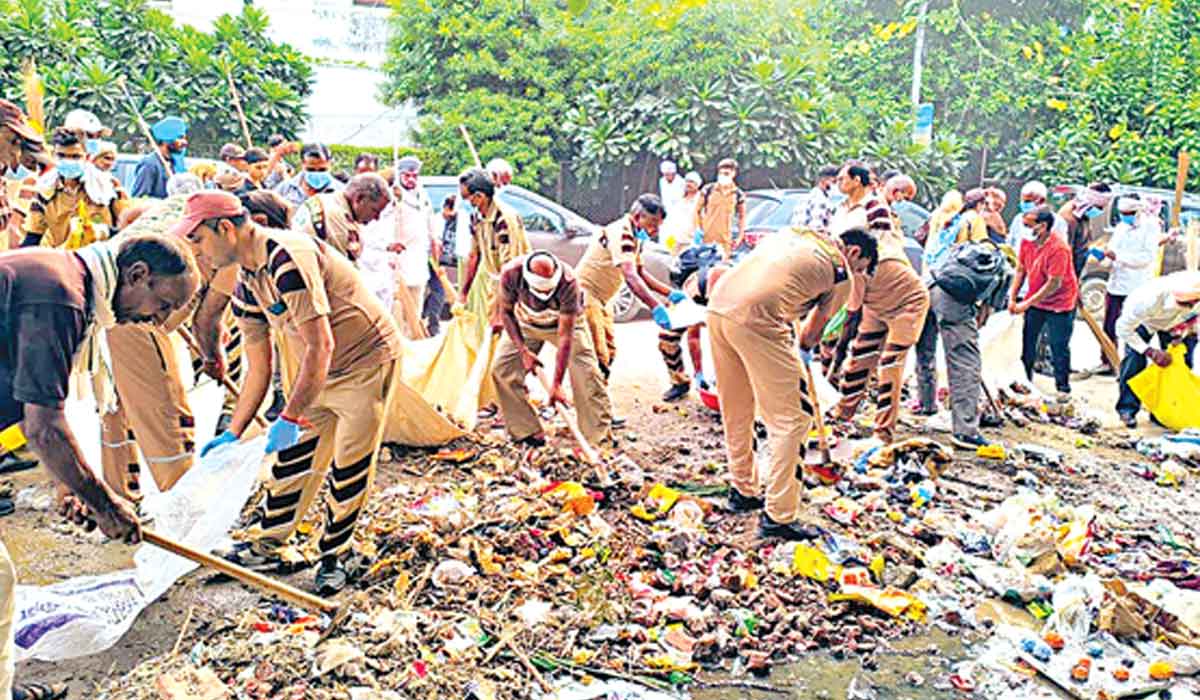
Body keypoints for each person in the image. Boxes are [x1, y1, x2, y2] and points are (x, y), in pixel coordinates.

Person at [0, 232, 199, 700]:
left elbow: (33, 407)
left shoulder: (66, 279)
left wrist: (71, 486)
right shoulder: (60, 297)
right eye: (162, 304)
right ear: (137, 275)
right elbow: (44, 428)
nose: (158, 320)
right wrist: (105, 504)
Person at [176, 191, 403, 594]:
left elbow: (321, 344)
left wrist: (291, 415)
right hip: (316, 373)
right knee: (293, 459)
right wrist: (234, 431)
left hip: (364, 363)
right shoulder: (247, 282)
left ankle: (337, 554)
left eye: (198, 239)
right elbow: (258, 366)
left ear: (225, 228)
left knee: (349, 462)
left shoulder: (288, 258)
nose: (197, 251)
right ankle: (268, 544)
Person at [707, 227, 873, 540]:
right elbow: (811, 334)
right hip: (758, 318)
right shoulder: (841, 271)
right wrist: (803, 351)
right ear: (853, 252)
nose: (859, 274)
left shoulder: (799, 234)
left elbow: (784, 287)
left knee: (737, 407)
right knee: (794, 419)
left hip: (718, 307)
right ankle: (778, 516)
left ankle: (743, 490)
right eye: (861, 267)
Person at [493, 251, 613, 448]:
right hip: (526, 323)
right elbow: (506, 313)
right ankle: (527, 431)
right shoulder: (511, 273)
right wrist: (523, 352)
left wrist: (556, 385)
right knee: (502, 369)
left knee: (587, 373)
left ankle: (597, 439)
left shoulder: (569, 281)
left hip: (564, 324)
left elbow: (565, 337)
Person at [832, 218, 929, 444]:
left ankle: (883, 433)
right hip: (876, 306)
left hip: (908, 306)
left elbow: (850, 315)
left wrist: (838, 351)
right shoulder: (857, 256)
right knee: (859, 358)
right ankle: (841, 416)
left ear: (854, 251)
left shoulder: (859, 266)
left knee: (889, 366)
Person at [576, 194, 672, 386]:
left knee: (609, 350)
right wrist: (655, 306)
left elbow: (640, 272)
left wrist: (669, 293)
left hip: (603, 299)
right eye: (652, 223)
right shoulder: (622, 232)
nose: (655, 230)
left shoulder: (636, 236)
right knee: (598, 355)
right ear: (637, 216)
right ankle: (594, 402)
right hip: (587, 294)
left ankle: (597, 396)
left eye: (658, 225)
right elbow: (630, 275)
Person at [1115, 271, 1200, 427]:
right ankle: (1127, 409)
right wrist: (1150, 351)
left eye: (1194, 303)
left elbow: (1194, 320)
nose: (1190, 306)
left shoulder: (1196, 291)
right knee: (1134, 361)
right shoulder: (1146, 300)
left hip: (1177, 325)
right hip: (1145, 322)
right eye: (1186, 304)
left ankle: (1163, 412)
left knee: (1180, 364)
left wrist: (1183, 333)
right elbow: (1123, 329)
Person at [1011, 207, 1079, 398]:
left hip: (1060, 302)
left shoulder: (1059, 248)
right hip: (1035, 298)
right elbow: (1020, 270)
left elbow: (1053, 283)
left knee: (1058, 346)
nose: (1024, 229)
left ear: (1042, 226)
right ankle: (1025, 381)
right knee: (1028, 342)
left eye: (1028, 225)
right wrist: (1013, 296)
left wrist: (1026, 304)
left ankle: (1063, 388)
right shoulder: (1027, 242)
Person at [22, 127, 128, 249]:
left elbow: (126, 229)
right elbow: (33, 235)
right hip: (61, 256)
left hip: (98, 256)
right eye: (62, 156)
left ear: (86, 157)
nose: (68, 161)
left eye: (75, 156)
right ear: (53, 156)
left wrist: (103, 231)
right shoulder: (44, 190)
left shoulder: (108, 187)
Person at [457, 168, 530, 330]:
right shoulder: (476, 217)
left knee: (510, 332)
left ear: (479, 196)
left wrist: (502, 307)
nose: (466, 202)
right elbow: (474, 255)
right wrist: (463, 293)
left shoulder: (504, 219)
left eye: (466, 197)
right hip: (496, 283)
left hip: (515, 286)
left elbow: (510, 266)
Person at [1097, 196, 1161, 376]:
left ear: (1138, 211)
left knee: (1132, 329)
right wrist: (1105, 257)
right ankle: (1109, 362)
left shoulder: (1150, 227)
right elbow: (1112, 250)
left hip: (1136, 286)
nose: (1125, 216)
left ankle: (1129, 368)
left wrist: (1119, 257)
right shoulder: (1121, 227)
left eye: (1129, 213)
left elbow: (1147, 257)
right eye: (1123, 213)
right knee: (1109, 326)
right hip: (1116, 284)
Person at [657, 262, 730, 401]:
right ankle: (679, 382)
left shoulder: (733, 293)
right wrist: (698, 372)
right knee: (666, 338)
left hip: (728, 309)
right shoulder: (691, 295)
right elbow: (693, 337)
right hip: (696, 297)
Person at [386, 157, 440, 338]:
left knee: (416, 307)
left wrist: (435, 242)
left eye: (414, 176)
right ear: (399, 175)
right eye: (407, 176)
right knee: (398, 309)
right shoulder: (393, 196)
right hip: (399, 260)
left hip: (419, 259)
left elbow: (430, 222)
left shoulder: (422, 195)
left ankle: (414, 340)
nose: (411, 179)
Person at [292, 172, 390, 263]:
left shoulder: (325, 200)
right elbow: (343, 271)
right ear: (359, 198)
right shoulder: (335, 216)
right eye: (375, 210)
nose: (377, 218)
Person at [695, 158, 747, 260]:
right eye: (721, 173)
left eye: (727, 173)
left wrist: (740, 236)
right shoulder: (708, 189)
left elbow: (742, 216)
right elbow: (697, 211)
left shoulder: (738, 194)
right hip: (706, 239)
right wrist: (699, 229)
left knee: (721, 266)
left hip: (725, 240)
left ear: (733, 174)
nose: (724, 176)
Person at [1060, 184, 1113, 279]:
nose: (1101, 211)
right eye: (1099, 208)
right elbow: (1064, 252)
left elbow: (1084, 238)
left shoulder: (1083, 214)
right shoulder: (1069, 218)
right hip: (1066, 270)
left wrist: (1090, 251)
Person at [131, 116, 187, 198]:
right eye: (180, 137)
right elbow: (139, 198)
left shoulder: (175, 163)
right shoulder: (150, 164)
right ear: (166, 139)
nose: (185, 142)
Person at [275, 143, 342, 206]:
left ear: (330, 164)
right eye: (311, 170)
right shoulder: (285, 188)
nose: (316, 174)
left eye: (322, 170)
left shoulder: (340, 191)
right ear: (302, 164)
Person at [1007, 180, 1067, 249]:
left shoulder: (1058, 222)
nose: (1023, 204)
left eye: (1027, 201)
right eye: (1022, 201)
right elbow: (1010, 242)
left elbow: (1060, 247)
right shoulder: (1018, 219)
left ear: (1042, 201)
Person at [791, 164, 839, 233]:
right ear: (824, 180)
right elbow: (817, 228)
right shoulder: (820, 200)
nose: (837, 184)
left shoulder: (807, 197)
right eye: (834, 181)